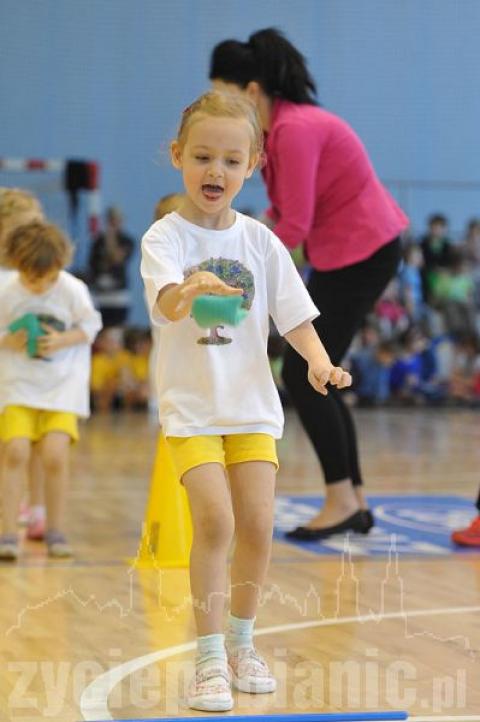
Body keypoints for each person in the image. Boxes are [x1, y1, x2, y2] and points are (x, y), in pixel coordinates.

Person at [141, 91, 351, 712]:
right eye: (202, 157)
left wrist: (318, 362)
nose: (216, 171)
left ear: (253, 165)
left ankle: (241, 642)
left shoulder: (261, 242)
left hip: (253, 408)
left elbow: (296, 317)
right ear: (178, 156)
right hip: (193, 409)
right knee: (216, 523)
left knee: (258, 526)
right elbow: (166, 306)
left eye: (232, 161)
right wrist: (188, 288)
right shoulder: (165, 237)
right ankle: (208, 659)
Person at [209, 28, 409, 539]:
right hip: (346, 254)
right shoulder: (280, 133)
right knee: (316, 373)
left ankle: (343, 499)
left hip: (362, 252)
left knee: (305, 373)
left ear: (252, 90)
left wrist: (241, 276)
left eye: (225, 92)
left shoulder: (295, 130)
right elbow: (283, 214)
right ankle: (353, 500)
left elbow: (293, 225)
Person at [0, 221, 102, 560]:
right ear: (18, 267)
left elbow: (90, 325)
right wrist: (8, 341)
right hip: (18, 387)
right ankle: (8, 533)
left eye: (48, 278)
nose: (41, 285)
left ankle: (56, 530)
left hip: (61, 389)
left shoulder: (71, 289)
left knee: (55, 455)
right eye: (33, 279)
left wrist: (62, 339)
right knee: (14, 451)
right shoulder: (8, 291)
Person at [0, 187, 47, 540]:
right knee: (11, 447)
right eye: (21, 229)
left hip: (35, 375)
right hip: (7, 372)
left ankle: (37, 507)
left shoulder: (46, 276)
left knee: (38, 446)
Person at [87, 206, 135, 327]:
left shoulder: (127, 241)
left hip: (118, 296)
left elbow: (117, 258)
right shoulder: (98, 241)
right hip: (100, 295)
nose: (113, 223)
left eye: (116, 219)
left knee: (116, 331)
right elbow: (92, 264)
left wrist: (111, 238)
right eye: (111, 219)